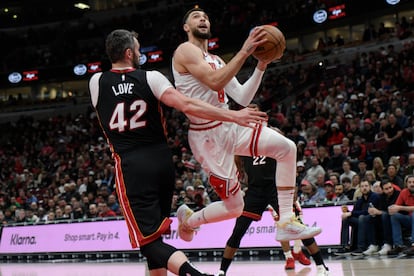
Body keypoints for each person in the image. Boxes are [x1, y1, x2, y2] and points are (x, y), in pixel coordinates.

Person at [88, 29, 268, 276]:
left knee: (148, 243)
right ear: (129, 53)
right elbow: (187, 104)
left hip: (131, 165)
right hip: (162, 162)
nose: (140, 54)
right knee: (156, 236)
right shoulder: (151, 77)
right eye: (138, 49)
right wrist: (232, 114)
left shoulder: (96, 82)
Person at [172, 6, 321, 243]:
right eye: (196, 17)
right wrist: (244, 51)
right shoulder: (185, 50)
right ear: (186, 27)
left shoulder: (216, 59)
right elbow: (213, 82)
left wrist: (261, 65)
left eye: (206, 16)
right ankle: (189, 220)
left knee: (287, 148)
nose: (203, 18)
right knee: (234, 207)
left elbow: (242, 97)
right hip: (207, 137)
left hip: (230, 124)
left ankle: (286, 221)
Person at [218, 152, 329, 275]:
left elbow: (289, 161)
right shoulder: (243, 146)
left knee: (299, 227)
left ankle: (321, 267)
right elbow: (237, 169)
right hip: (254, 191)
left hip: (276, 189)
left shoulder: (273, 136)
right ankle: (222, 271)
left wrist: (293, 187)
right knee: (237, 232)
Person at [335, 180, 380, 255]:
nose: (364, 188)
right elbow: (354, 212)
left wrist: (351, 213)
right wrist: (347, 211)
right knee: (346, 219)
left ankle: (361, 247)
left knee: (362, 217)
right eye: (362, 186)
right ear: (360, 188)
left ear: (370, 187)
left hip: (373, 220)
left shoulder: (375, 196)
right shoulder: (360, 200)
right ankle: (344, 246)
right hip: (362, 220)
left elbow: (368, 211)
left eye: (366, 186)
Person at [388, 174, 414, 255]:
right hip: (409, 220)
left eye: (413, 182)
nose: (412, 184)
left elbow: (399, 207)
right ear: (406, 184)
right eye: (409, 182)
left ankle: (413, 244)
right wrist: (392, 209)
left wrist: (399, 208)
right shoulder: (404, 192)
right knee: (394, 216)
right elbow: (396, 207)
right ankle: (398, 245)